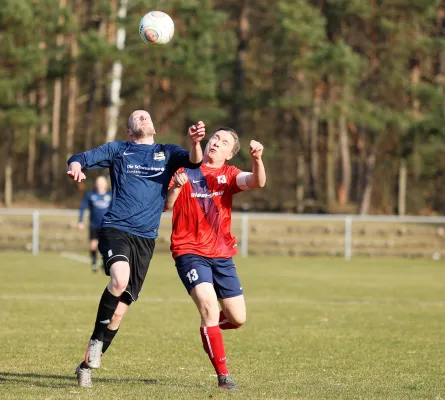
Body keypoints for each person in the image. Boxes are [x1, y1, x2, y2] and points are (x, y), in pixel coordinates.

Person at [66, 110, 205, 388]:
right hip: (116, 228)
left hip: (146, 239)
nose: (142, 117)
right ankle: (95, 340)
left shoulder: (167, 152)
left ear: (153, 125)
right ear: (129, 130)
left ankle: (86, 366)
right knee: (119, 279)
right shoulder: (119, 149)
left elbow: (194, 161)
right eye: (136, 117)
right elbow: (80, 156)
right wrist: (76, 166)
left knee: (118, 312)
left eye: (146, 115)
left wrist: (195, 142)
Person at [163, 127, 266, 390]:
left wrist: (257, 158)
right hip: (189, 252)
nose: (216, 143)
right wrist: (175, 186)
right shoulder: (185, 170)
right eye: (215, 139)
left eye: (224, 142)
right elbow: (167, 205)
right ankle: (223, 377)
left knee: (237, 318)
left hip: (221, 255)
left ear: (230, 154)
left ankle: (210, 330)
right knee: (209, 307)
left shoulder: (229, 175)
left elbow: (257, 182)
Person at [78, 176, 111, 272]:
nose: (100, 184)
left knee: (106, 246)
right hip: (94, 225)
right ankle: (94, 264)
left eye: (102, 182)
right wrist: (80, 221)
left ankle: (105, 264)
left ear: (106, 184)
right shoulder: (90, 195)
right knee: (93, 245)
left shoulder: (110, 196)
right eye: (98, 182)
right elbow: (83, 207)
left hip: (106, 226)